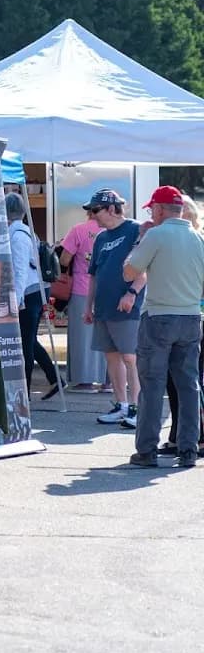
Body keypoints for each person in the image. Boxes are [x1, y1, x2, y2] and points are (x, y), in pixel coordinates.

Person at [122, 185, 204, 468]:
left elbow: (129, 271)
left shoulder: (155, 235)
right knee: (188, 385)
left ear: (159, 209)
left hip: (158, 316)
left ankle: (146, 450)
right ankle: (189, 449)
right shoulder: (198, 238)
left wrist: (141, 239)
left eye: (151, 209)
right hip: (191, 317)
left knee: (153, 385)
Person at [83, 189, 144, 429]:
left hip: (128, 307)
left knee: (131, 357)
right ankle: (122, 405)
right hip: (104, 307)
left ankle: (139, 407)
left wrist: (132, 293)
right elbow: (94, 276)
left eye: (95, 210)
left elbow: (145, 268)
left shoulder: (135, 229)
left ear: (111, 208)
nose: (92, 216)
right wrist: (88, 306)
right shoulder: (101, 238)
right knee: (111, 356)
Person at [161, 195, 204, 454]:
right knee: (174, 382)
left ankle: (195, 436)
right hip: (179, 317)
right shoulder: (175, 241)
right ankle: (178, 435)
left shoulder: (196, 242)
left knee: (191, 381)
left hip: (193, 318)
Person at [6, 193, 59, 394]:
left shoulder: (18, 236)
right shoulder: (28, 232)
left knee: (25, 344)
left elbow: (19, 271)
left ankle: (24, 392)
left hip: (27, 293)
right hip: (35, 291)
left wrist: (16, 299)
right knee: (29, 339)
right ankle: (54, 377)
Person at [59, 202, 107, 389]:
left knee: (82, 336)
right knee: (108, 335)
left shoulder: (78, 230)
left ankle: (85, 380)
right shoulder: (113, 230)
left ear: (88, 212)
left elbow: (64, 259)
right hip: (106, 289)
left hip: (82, 289)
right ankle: (108, 381)